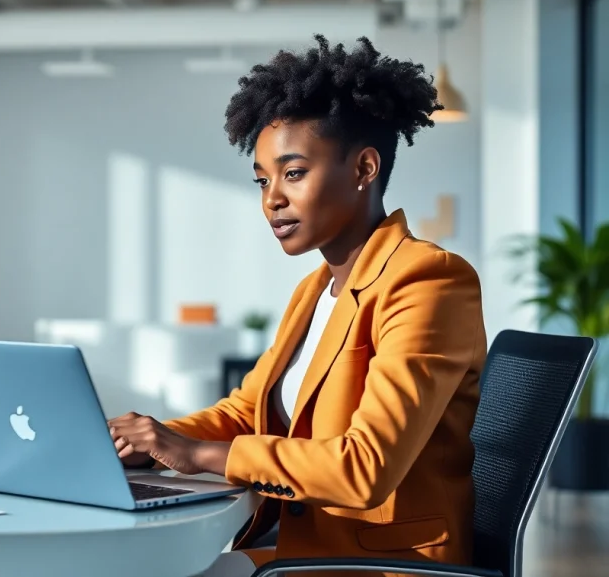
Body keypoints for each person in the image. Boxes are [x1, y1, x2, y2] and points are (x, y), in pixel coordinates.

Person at [108, 35, 486, 577]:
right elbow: (248, 410)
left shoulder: (427, 281)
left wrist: (198, 456)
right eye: (262, 180)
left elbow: (364, 468)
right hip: (308, 547)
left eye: (293, 173)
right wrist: (153, 442)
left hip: (384, 565)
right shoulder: (315, 290)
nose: (272, 199)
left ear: (363, 169)